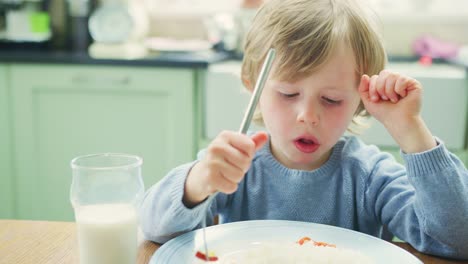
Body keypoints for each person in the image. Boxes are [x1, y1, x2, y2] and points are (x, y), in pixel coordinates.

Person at [140, 0, 468, 259]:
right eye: (288, 94)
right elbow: (154, 227)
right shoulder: (234, 168)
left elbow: (455, 240)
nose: (307, 116)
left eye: (331, 99)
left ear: (359, 100)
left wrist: (411, 131)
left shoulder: (369, 176)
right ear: (252, 85)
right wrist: (197, 182)